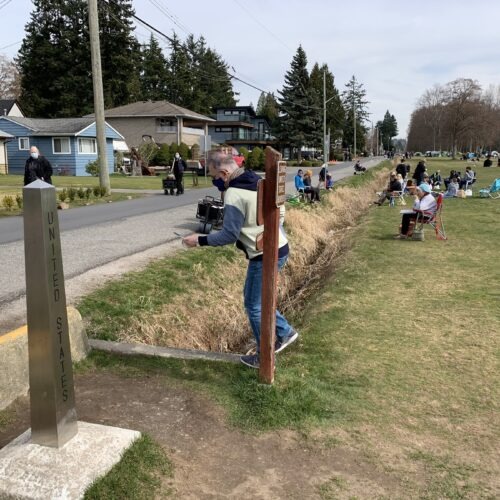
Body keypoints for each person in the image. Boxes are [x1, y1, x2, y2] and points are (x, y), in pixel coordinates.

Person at [182, 153, 299, 369]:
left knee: (253, 305)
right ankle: (283, 332)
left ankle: (267, 353)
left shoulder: (234, 193)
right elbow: (280, 212)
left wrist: (199, 240)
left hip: (263, 253)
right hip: (279, 246)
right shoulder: (258, 180)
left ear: (225, 173)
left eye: (214, 176)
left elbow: (229, 235)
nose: (214, 181)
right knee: (261, 300)